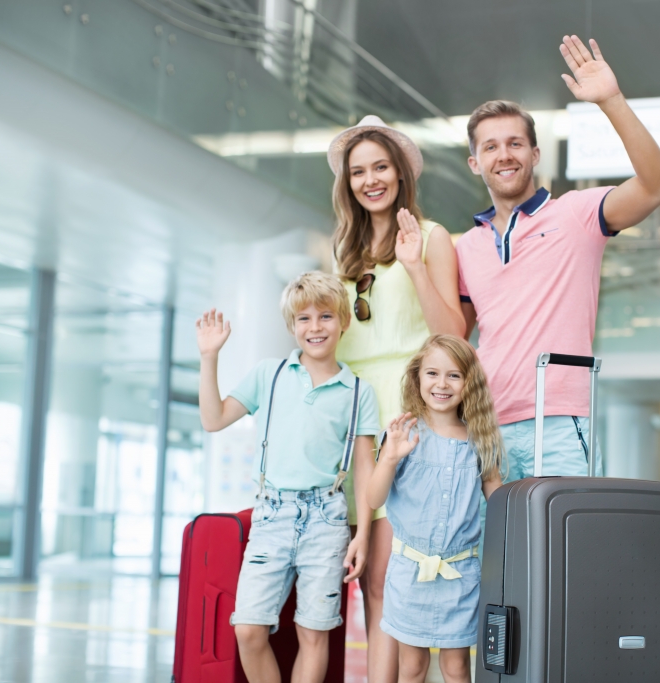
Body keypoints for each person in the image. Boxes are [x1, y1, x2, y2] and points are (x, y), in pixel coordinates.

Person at [457, 35, 660, 484]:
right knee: (495, 555)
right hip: (484, 426)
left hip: (557, 421)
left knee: (559, 551)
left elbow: (659, 184)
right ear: (475, 163)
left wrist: (611, 100)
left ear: (535, 155)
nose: (504, 155)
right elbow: (454, 337)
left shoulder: (577, 214)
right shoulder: (466, 246)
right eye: (491, 147)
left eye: (516, 144)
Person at [327, 115, 465, 682]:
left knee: (390, 577)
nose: (369, 180)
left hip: (405, 414)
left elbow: (452, 334)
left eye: (380, 166)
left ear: (401, 173)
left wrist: (412, 264)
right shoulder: (346, 251)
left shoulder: (431, 237)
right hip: (354, 416)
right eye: (358, 171)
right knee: (367, 579)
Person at [196, 271, 380, 683]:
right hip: (272, 516)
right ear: (291, 326)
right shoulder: (270, 374)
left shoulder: (357, 392)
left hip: (328, 520)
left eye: (325, 316)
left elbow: (365, 469)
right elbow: (213, 419)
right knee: (248, 628)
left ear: (344, 321)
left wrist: (362, 535)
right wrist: (210, 358)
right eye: (303, 319)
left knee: (313, 633)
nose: (315, 327)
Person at [367, 335, 504, 683]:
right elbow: (373, 499)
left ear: (469, 382)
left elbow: (499, 499)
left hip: (460, 577)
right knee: (411, 668)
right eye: (432, 373)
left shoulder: (480, 439)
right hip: (410, 575)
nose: (441, 384)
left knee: (457, 668)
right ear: (417, 377)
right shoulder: (403, 435)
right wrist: (389, 460)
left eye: (454, 375)